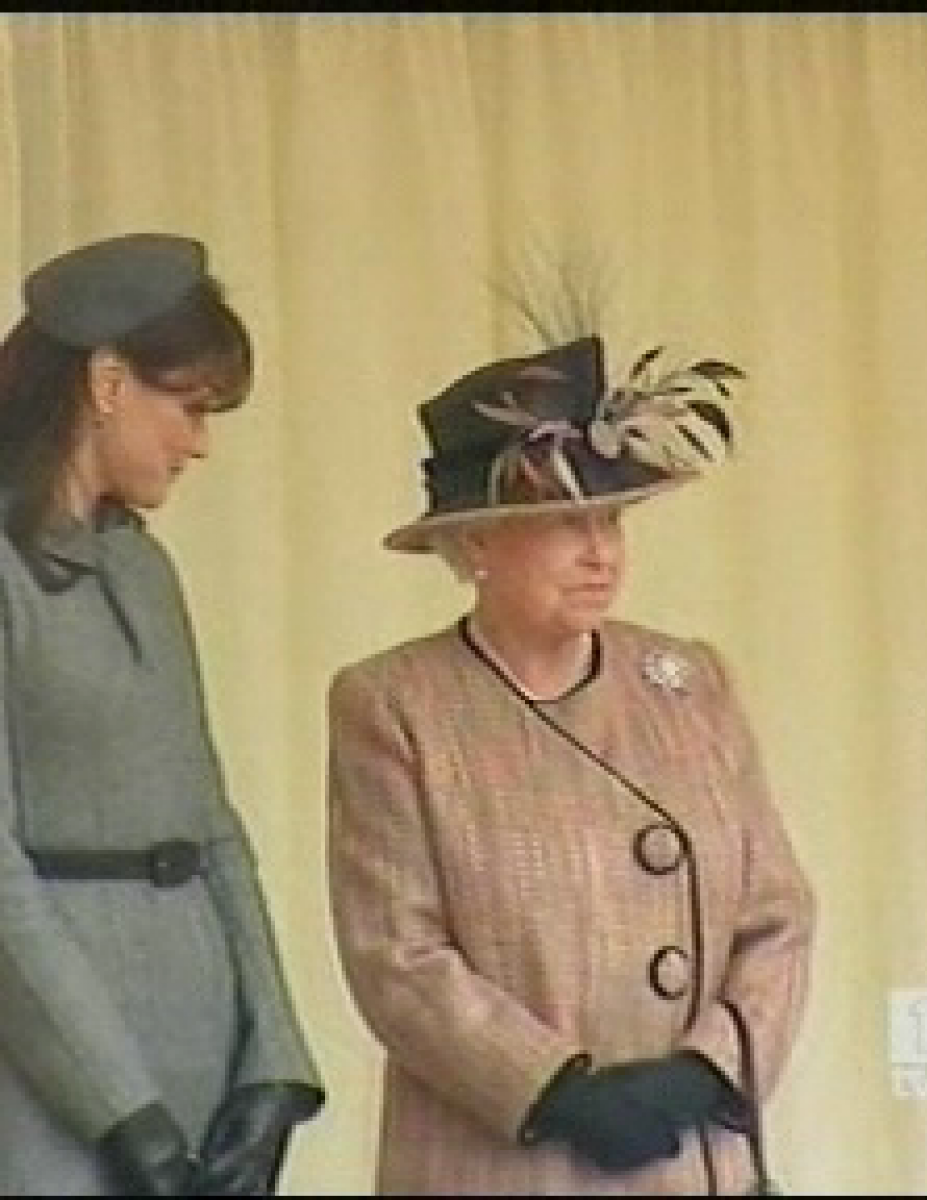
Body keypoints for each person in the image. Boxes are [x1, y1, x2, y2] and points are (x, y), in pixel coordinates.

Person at [0, 232, 324, 1196]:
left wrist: (276, 1059)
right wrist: (119, 1107)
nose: (200, 442)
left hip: (197, 1058)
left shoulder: (142, 565)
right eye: (191, 407)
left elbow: (213, 824)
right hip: (42, 1079)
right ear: (109, 381)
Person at [326, 325, 815, 1194]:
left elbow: (777, 914)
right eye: (562, 523)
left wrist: (708, 1071)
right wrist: (554, 1089)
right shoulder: (396, 704)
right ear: (474, 545)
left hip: (689, 1156)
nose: (602, 551)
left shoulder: (690, 683)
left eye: (612, 520)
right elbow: (394, 954)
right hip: (501, 1160)